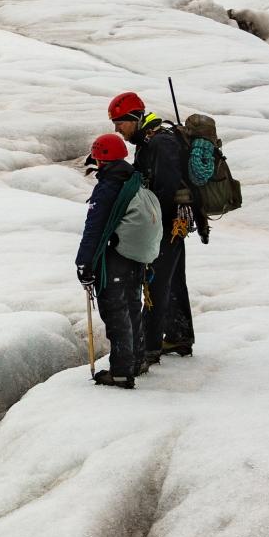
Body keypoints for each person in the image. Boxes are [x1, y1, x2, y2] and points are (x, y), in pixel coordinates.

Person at [108, 91, 196, 366]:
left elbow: (166, 189)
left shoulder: (159, 143)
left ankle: (150, 347)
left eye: (120, 123)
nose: (117, 130)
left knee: (155, 283)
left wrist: (152, 224)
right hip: (171, 223)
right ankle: (179, 336)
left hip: (167, 224)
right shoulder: (149, 141)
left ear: (134, 118)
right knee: (172, 279)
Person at [76, 132, 154, 387]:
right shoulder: (133, 178)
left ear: (100, 159)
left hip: (116, 257)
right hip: (136, 257)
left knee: (116, 312)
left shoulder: (109, 186)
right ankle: (137, 361)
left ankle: (121, 372)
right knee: (132, 307)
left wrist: (84, 263)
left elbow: (94, 228)